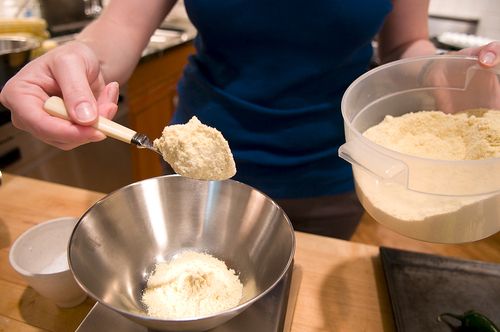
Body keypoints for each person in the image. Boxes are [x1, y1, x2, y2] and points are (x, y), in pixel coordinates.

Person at [1, 0, 499, 239]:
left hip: (335, 168)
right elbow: (121, 29)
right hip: (201, 170)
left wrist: (459, 76)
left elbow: (406, 44)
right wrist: (78, 60)